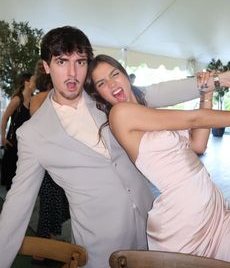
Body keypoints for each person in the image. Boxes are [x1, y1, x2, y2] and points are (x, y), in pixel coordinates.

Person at [0, 26, 215, 268]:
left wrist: (210, 83)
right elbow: (18, 203)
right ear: (47, 66)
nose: (72, 73)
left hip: (152, 227)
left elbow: (151, 93)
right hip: (101, 247)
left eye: (80, 62)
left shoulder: (104, 96)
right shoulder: (32, 134)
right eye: (62, 62)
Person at [85, 54, 230, 263]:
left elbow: (198, 144)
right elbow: (193, 118)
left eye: (114, 74)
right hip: (185, 219)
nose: (111, 84)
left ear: (126, 76)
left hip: (212, 207)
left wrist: (206, 94)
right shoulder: (120, 115)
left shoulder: (148, 113)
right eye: (102, 83)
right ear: (98, 94)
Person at [30, 60, 70, 264]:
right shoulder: (42, 99)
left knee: (56, 205)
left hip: (59, 162)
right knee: (49, 204)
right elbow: (41, 132)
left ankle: (50, 243)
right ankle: (40, 250)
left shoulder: (49, 98)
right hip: (49, 163)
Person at [1, 72, 35, 190]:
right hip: (13, 143)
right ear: (26, 83)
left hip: (25, 144)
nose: (35, 82)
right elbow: (5, 118)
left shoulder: (34, 100)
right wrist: (3, 138)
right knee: (11, 178)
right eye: (32, 80)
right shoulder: (17, 99)